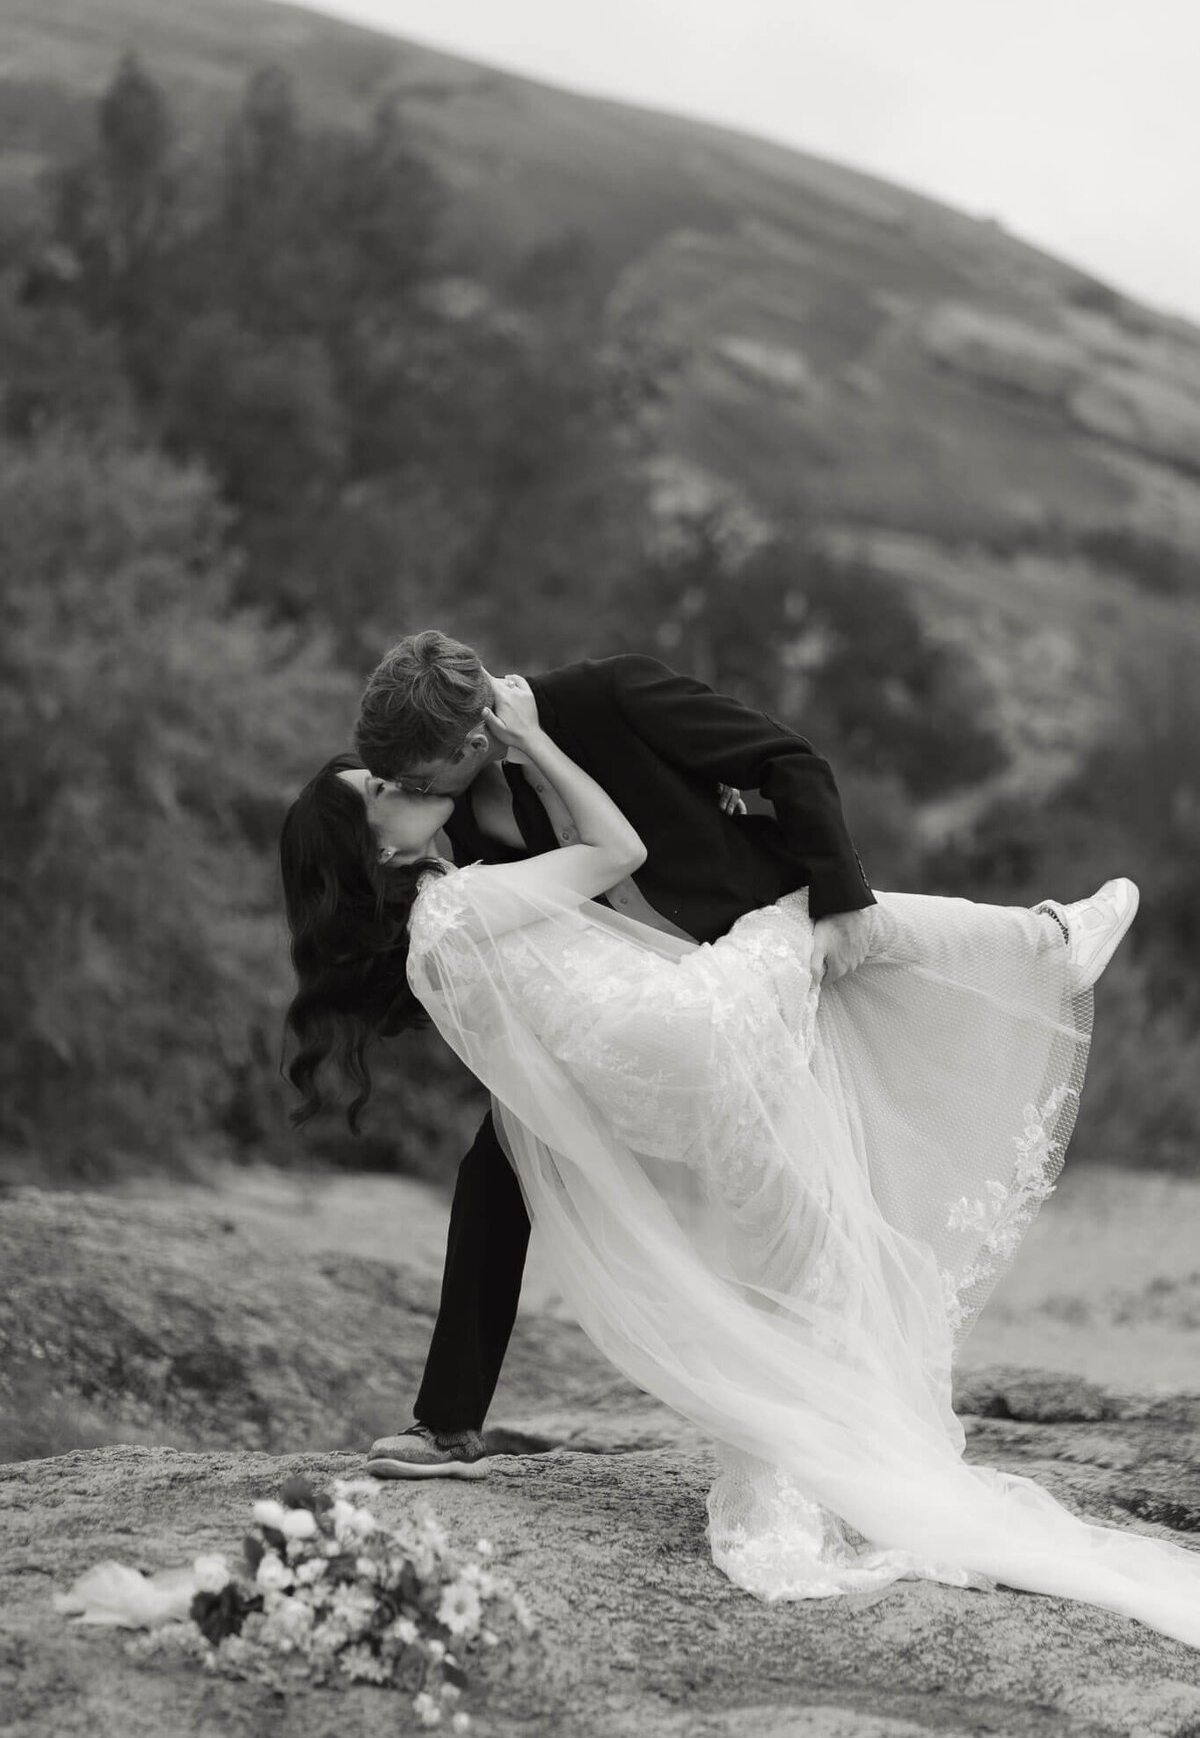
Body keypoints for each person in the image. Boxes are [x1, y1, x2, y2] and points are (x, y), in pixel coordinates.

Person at [278, 678, 1200, 1649]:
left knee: (798, 1238)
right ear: (380, 842)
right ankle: (1049, 938)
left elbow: (775, 775)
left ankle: (804, 1457)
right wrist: (541, 747)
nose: (392, 783)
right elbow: (615, 856)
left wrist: (601, 1104)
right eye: (375, 788)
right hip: (692, 1025)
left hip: (654, 1043)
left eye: (387, 774)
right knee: (829, 919)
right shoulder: (457, 892)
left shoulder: (462, 888)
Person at [347, 630, 877, 1473]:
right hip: (639, 1013)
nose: (413, 793)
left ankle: (1049, 941)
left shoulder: (611, 696)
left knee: (809, 1172)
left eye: (420, 778)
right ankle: (446, 1425)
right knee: (499, 1161)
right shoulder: (470, 805)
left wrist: (840, 901)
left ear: (474, 740)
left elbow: (789, 761)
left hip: (749, 948)